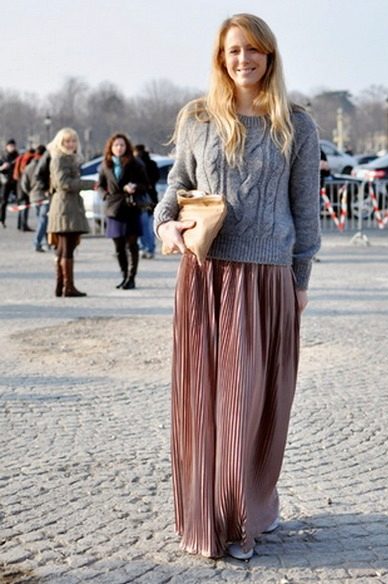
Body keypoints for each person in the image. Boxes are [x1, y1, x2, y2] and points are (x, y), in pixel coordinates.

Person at [154, 13, 320, 560]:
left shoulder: (296, 125)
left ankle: (243, 515)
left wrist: (300, 281)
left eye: (252, 50)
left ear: (269, 56)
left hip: (267, 280)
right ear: (220, 59)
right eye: (233, 51)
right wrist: (166, 225)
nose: (243, 59)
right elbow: (175, 187)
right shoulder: (198, 118)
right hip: (205, 277)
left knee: (251, 404)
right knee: (203, 402)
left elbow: (306, 213)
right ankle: (207, 517)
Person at [98, 133, 148, 289]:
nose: (119, 148)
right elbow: (100, 185)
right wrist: (105, 195)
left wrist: (134, 186)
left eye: (122, 145)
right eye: (116, 145)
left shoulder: (135, 163)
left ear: (127, 147)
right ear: (110, 147)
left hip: (130, 207)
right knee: (118, 246)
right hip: (114, 208)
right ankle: (124, 275)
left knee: (132, 245)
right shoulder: (105, 164)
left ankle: (131, 277)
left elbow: (146, 184)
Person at [47, 128, 89, 296]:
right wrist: (89, 184)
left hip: (69, 206)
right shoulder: (59, 159)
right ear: (60, 143)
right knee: (66, 247)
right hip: (64, 208)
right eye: (67, 141)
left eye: (73, 141)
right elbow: (64, 183)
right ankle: (67, 287)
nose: (70, 144)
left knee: (65, 247)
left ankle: (61, 286)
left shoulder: (68, 159)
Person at [20, 145, 48, 251]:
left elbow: (24, 184)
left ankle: (46, 241)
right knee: (43, 220)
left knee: (41, 220)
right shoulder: (45, 166)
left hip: (33, 197)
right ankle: (37, 242)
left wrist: (30, 193)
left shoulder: (28, 167)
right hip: (44, 196)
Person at [134, 144, 159, 259]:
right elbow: (156, 178)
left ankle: (145, 247)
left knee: (143, 225)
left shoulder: (137, 164)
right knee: (149, 225)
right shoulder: (152, 163)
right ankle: (149, 248)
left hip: (141, 199)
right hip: (151, 198)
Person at [0, 139, 20, 227]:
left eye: (13, 146)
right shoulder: (2, 156)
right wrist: (2, 167)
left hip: (15, 181)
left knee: (20, 201)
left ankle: (21, 223)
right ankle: (2, 220)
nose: (12, 148)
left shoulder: (17, 155)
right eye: (10, 146)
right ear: (7, 147)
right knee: (4, 201)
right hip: (5, 181)